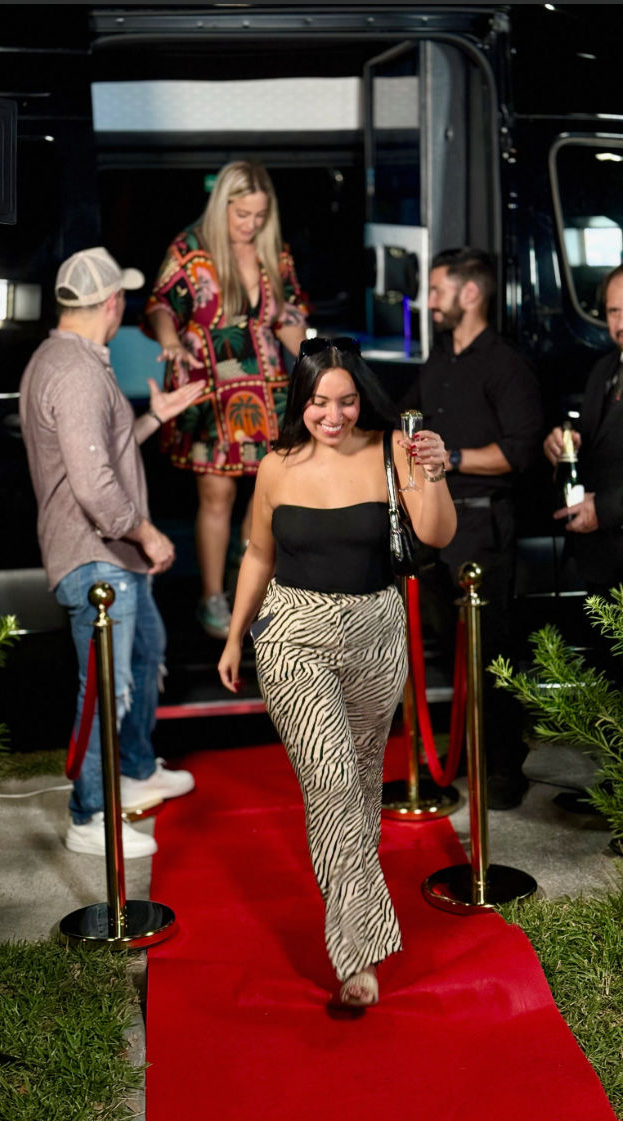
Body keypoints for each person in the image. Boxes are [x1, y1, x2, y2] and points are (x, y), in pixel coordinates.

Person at [218, 337, 456, 1007]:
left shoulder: (392, 450)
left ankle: (357, 928)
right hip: (294, 634)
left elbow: (436, 536)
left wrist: (434, 471)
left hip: (376, 631)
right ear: (301, 399)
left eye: (347, 400)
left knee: (360, 787)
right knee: (331, 782)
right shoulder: (276, 466)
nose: (333, 414)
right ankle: (357, 956)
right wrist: (236, 636)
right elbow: (258, 554)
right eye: (320, 401)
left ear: (362, 398)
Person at [19, 247, 205, 858]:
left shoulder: (65, 359)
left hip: (110, 554)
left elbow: (98, 453)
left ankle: (136, 769)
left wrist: (153, 418)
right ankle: (89, 816)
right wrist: (147, 533)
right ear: (112, 303)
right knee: (106, 687)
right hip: (96, 554)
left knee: (146, 654)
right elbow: (95, 486)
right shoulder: (74, 371)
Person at [400, 247, 544, 810]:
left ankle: (504, 770)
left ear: (470, 293)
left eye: (438, 290)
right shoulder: (441, 359)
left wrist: (451, 457)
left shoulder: (506, 365)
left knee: (490, 655)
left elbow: (520, 452)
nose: (429, 301)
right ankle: (465, 755)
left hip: (484, 525)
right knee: (451, 653)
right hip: (436, 524)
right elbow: (402, 419)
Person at [143, 160, 309, 639]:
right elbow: (161, 304)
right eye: (242, 215)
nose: (251, 224)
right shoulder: (191, 249)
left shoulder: (274, 251)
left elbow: (290, 316)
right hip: (213, 387)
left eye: (259, 215)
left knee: (269, 491)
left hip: (268, 388)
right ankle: (212, 595)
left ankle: (245, 575)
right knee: (217, 495)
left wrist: (319, 361)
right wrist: (170, 342)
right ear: (222, 206)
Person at [543, 264, 623, 597]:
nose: (621, 323)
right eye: (614, 311)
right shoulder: (604, 368)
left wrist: (603, 510)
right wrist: (564, 442)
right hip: (599, 558)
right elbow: (594, 438)